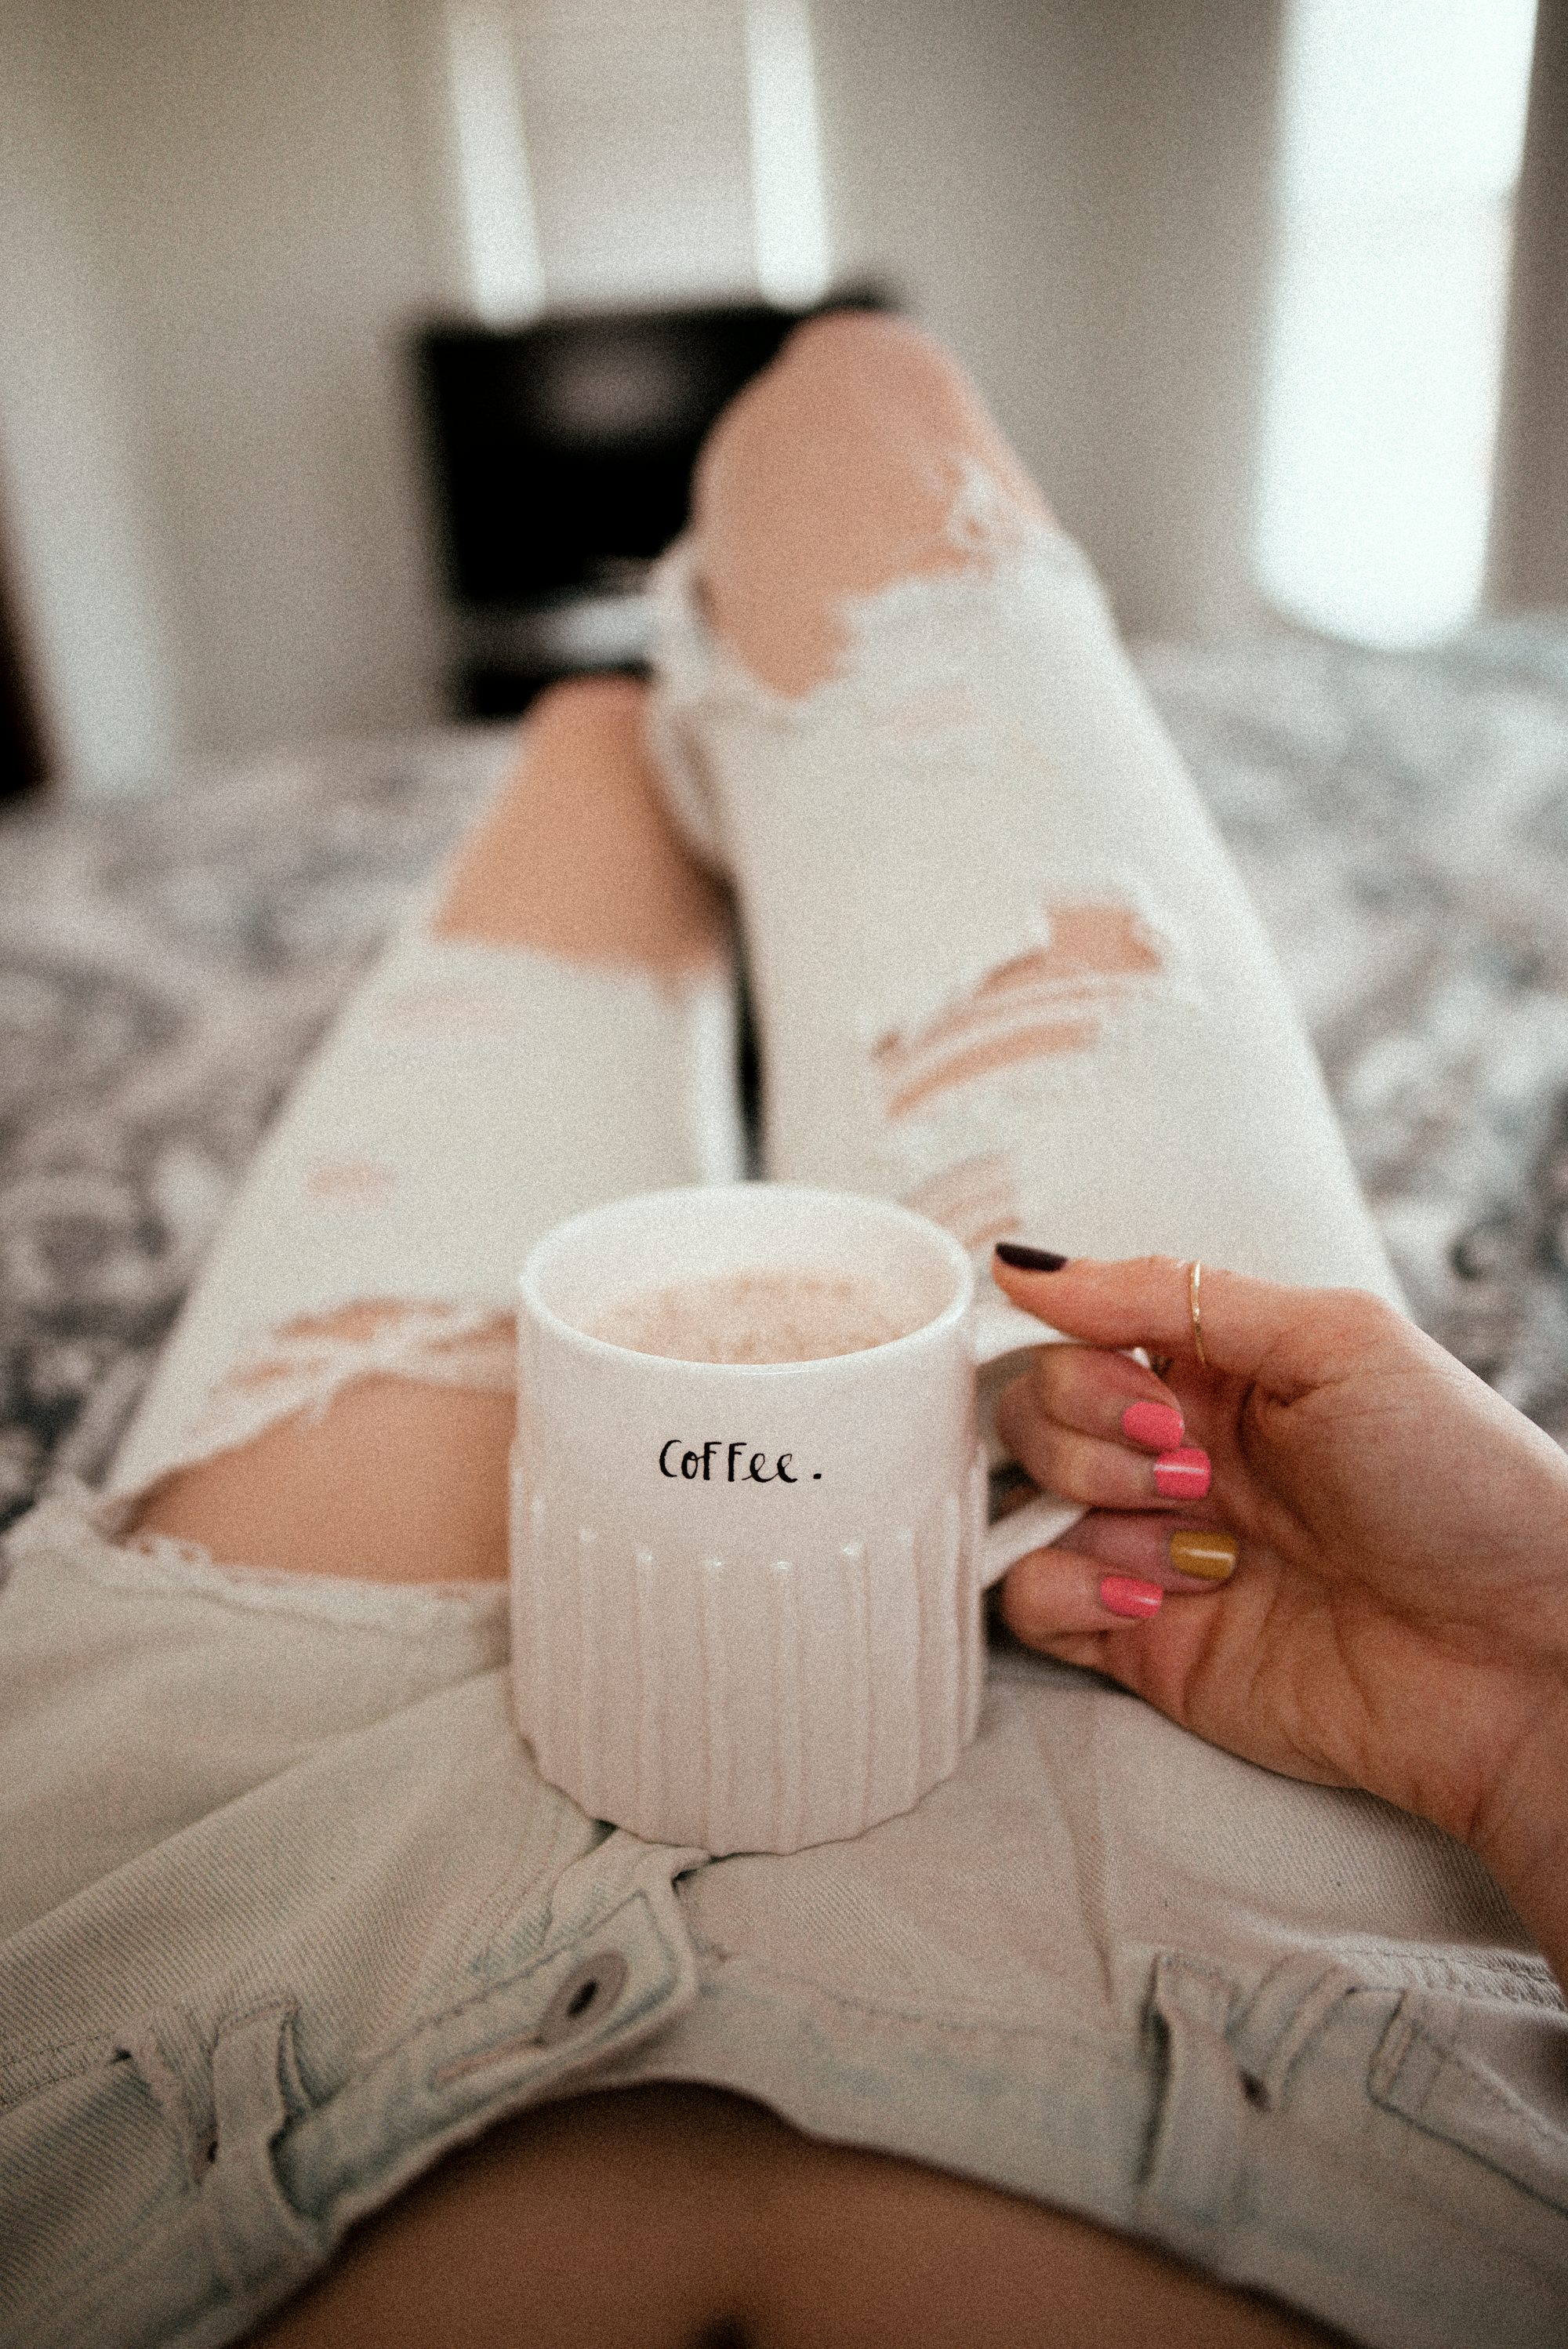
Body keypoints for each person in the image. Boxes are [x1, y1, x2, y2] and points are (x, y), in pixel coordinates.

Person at [2, 313, 1566, 2349]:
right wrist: (1535, 1683)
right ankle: (707, 771)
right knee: (858, 400)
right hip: (1271, 1795)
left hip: (233, 1849)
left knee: (585, 760)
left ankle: (642, 750)